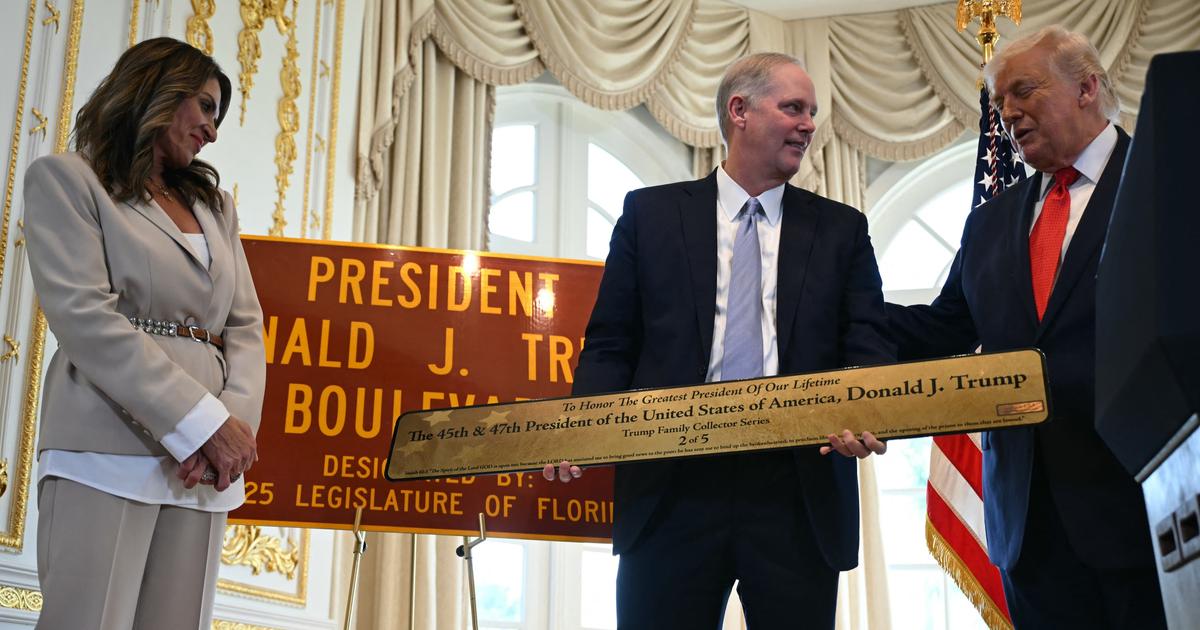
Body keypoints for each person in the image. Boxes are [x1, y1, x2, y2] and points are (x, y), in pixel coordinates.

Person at [546, 52, 894, 629]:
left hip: (797, 489)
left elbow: (867, 342)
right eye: (793, 108)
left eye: (812, 112)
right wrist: (584, 427)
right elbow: (612, 341)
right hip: (671, 486)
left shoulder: (842, 229)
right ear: (740, 111)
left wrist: (866, 412)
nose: (809, 124)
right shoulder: (649, 215)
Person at [885, 26, 1166, 628]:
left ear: (1087, 87)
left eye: (1024, 91)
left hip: (1144, 511)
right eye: (1000, 101)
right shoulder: (992, 222)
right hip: (1027, 529)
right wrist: (837, 312)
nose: (1007, 111)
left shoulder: (1166, 182)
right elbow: (943, 330)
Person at [24, 38, 264, 629]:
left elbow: (245, 326)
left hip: (205, 467)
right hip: (103, 446)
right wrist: (203, 423)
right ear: (157, 90)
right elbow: (86, 318)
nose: (212, 129)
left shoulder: (217, 209)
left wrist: (229, 428)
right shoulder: (68, 181)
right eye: (206, 107)